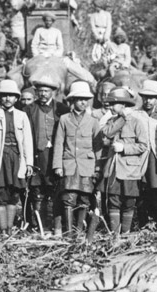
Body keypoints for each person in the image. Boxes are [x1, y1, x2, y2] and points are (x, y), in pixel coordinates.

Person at [95, 87, 149, 239]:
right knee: (113, 201)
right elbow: (106, 133)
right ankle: (114, 235)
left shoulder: (137, 123)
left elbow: (143, 146)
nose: (110, 107)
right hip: (113, 168)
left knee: (129, 202)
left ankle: (125, 234)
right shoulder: (112, 121)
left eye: (114, 104)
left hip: (130, 170)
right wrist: (122, 119)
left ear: (123, 105)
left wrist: (124, 148)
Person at [0, 79, 34, 235]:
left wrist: (29, 163)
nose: (7, 99)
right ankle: (2, 229)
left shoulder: (22, 116)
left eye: (11, 95)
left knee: (14, 194)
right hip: (0, 158)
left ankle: (10, 229)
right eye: (4, 95)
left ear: (16, 98)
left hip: (16, 158)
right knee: (0, 194)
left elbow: (27, 141)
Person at [52, 81, 100, 239]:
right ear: (72, 100)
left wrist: (97, 168)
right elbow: (59, 143)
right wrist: (58, 166)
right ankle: (68, 233)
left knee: (84, 198)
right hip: (69, 165)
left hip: (87, 166)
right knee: (69, 198)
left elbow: (98, 146)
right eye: (79, 99)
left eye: (86, 99)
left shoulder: (93, 121)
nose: (83, 102)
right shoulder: (64, 119)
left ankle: (79, 231)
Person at [24, 76, 69, 236]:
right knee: (37, 191)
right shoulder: (29, 109)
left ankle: (54, 225)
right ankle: (39, 226)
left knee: (54, 190)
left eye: (46, 91)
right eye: (40, 91)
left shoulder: (62, 109)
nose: (43, 94)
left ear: (53, 92)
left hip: (56, 155)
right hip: (37, 155)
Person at [138, 79, 157, 226]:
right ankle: (143, 223)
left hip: (156, 158)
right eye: (145, 97)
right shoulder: (136, 114)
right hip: (140, 158)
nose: (148, 101)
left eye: (151, 98)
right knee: (141, 191)